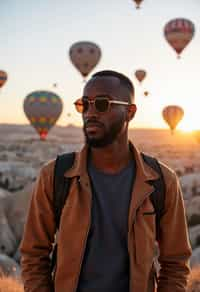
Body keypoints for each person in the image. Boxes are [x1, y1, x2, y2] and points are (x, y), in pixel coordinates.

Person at [20, 70, 192, 292]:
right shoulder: (55, 176)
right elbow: (34, 255)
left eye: (102, 104)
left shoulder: (162, 181)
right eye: (85, 104)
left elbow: (176, 263)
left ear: (129, 112)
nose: (90, 112)